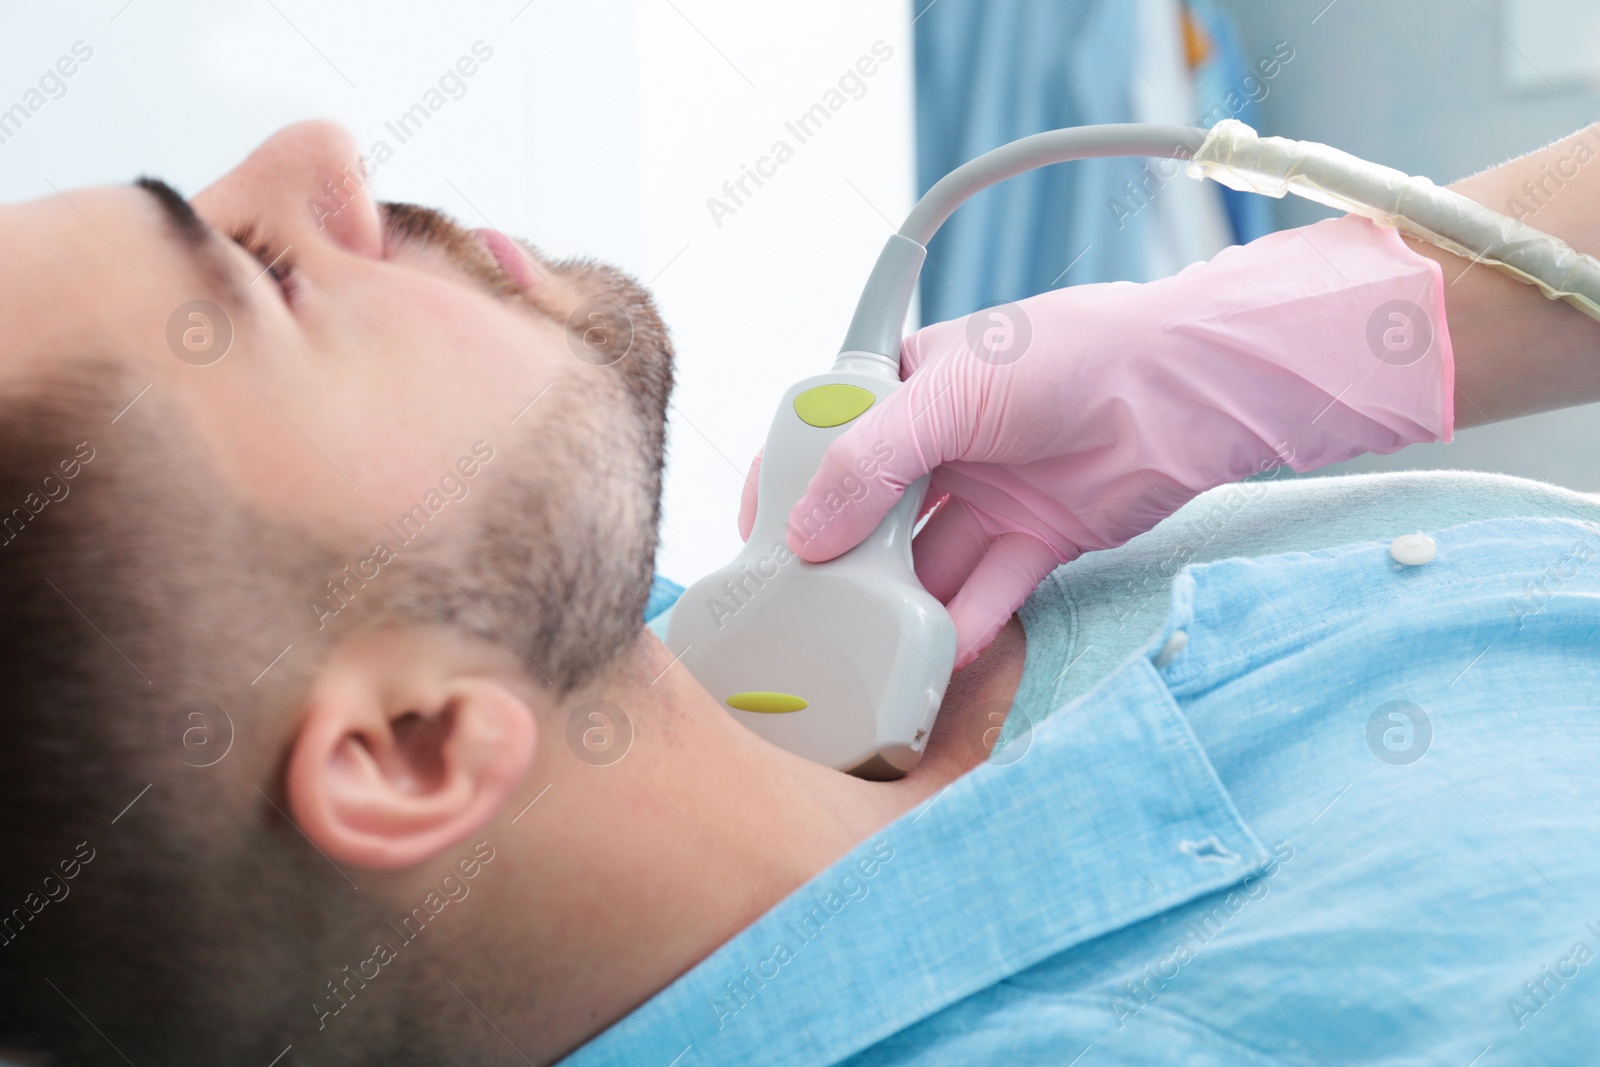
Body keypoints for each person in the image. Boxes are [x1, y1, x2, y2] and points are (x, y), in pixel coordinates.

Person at [0, 115, 1598, 1067]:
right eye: (257, 284)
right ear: (414, 749)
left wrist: (1386, 316)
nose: (322, 157)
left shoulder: (675, 654)